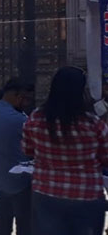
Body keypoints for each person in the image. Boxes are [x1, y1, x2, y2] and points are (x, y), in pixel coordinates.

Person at [23, 67, 108, 235]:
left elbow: (27, 150)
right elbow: (106, 157)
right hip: (86, 195)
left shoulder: (36, 119)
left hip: (46, 192)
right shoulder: (93, 125)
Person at [0, 78, 34, 235]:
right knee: (24, 226)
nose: (26, 103)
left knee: (3, 223)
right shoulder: (20, 120)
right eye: (25, 99)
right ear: (18, 96)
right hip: (21, 182)